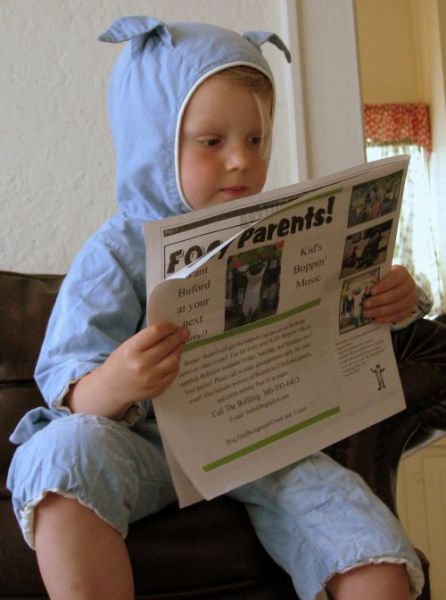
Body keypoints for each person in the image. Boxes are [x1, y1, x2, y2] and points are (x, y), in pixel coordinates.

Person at [6, 16, 431, 600]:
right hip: (144, 446)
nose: (240, 161)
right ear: (156, 139)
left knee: (370, 544)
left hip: (263, 443)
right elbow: (68, 385)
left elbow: (341, 320)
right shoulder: (116, 251)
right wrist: (116, 381)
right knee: (62, 453)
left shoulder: (285, 224)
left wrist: (396, 299)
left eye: (255, 141)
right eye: (212, 142)